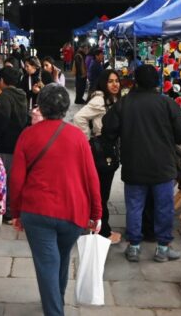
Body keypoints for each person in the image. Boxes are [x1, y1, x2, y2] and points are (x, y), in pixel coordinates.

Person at [9, 84, 101, 316]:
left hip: (37, 211)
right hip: (73, 212)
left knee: (48, 264)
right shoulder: (78, 137)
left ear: (41, 105)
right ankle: (56, 303)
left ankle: (54, 311)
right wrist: (96, 214)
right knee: (59, 259)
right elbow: (92, 178)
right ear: (65, 108)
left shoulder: (28, 136)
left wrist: (16, 212)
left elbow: (17, 179)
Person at [103, 65, 181, 262]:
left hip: (134, 166)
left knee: (134, 207)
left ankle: (133, 247)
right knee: (164, 207)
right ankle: (163, 248)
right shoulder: (166, 103)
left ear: (136, 81)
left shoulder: (124, 103)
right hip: (163, 167)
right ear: (157, 82)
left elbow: (108, 129)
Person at [73, 68, 123, 244]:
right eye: (110, 81)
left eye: (116, 80)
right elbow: (79, 117)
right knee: (101, 192)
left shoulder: (113, 99)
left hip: (109, 148)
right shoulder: (100, 99)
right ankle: (104, 232)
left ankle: (93, 225)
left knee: (100, 191)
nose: (115, 84)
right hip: (101, 150)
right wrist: (89, 139)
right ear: (103, 82)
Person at [0, 67, 28, 218]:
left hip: (8, 142)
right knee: (17, 175)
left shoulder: (5, 97)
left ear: (2, 81)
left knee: (8, 176)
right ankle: (16, 207)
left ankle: (10, 211)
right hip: (21, 140)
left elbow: (1, 120)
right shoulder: (21, 94)